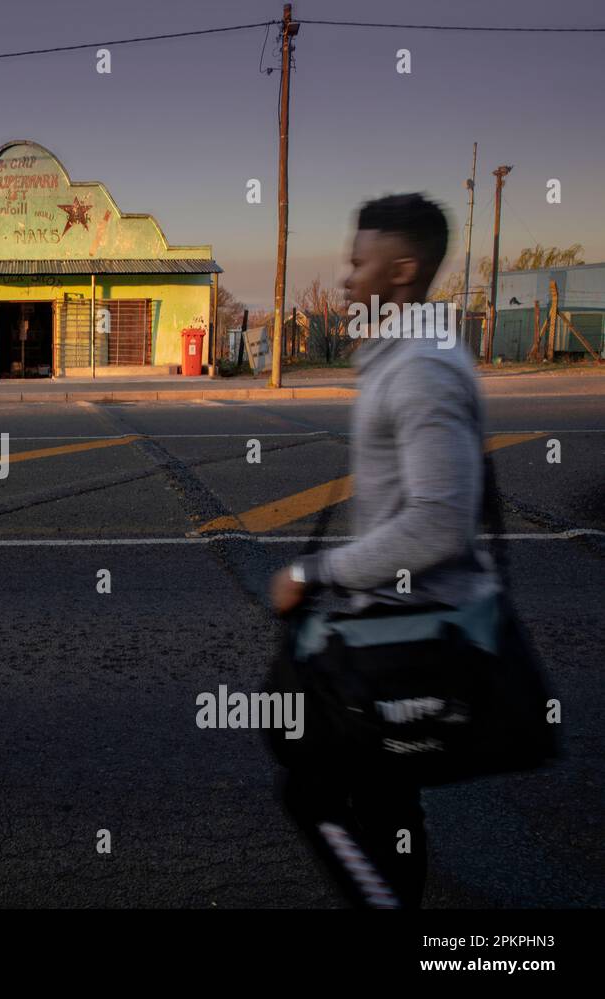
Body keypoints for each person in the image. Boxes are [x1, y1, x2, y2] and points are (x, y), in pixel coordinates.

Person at [268, 193, 497, 908]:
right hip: (396, 622)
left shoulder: (421, 368)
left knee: (316, 788)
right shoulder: (404, 357)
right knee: (384, 801)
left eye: (358, 261)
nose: (345, 276)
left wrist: (316, 571)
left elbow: (436, 521)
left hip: (412, 635)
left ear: (400, 270)